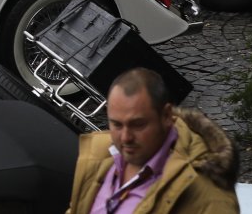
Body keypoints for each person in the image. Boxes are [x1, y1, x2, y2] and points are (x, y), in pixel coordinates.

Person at [68, 68, 239, 214]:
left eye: (138, 125)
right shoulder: (99, 158)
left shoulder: (211, 200)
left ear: (166, 116)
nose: (126, 137)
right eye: (117, 124)